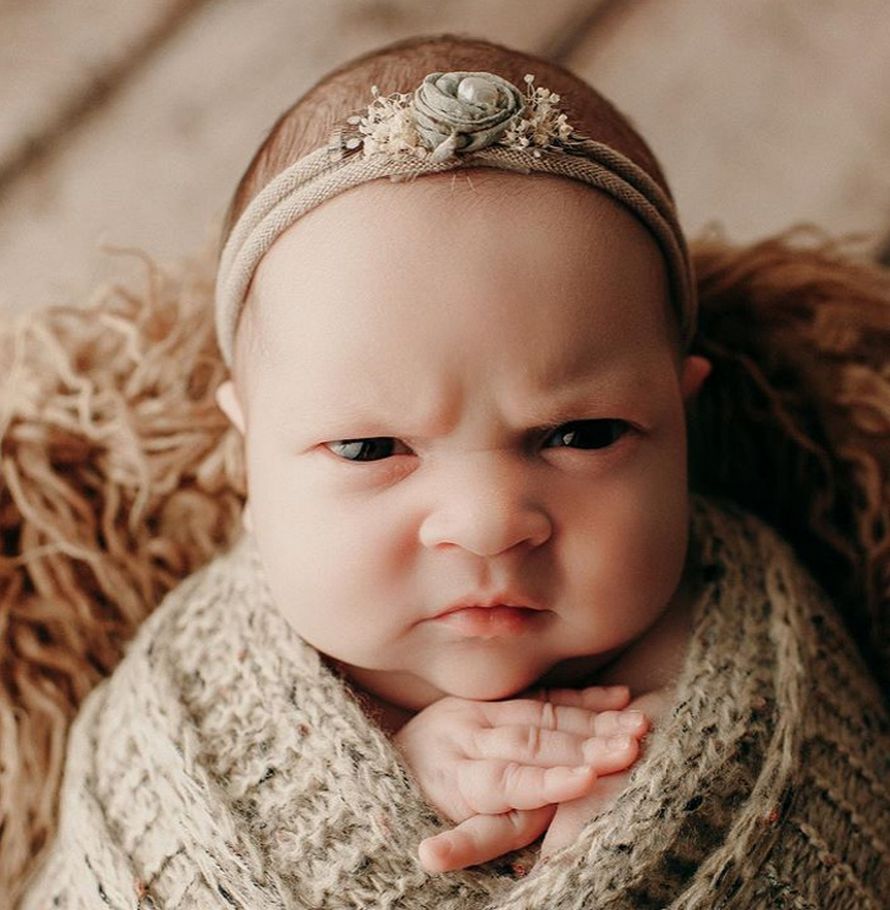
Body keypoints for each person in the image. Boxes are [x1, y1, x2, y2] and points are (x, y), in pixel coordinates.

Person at [15, 33, 889, 909]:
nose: (486, 520)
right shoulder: (199, 686)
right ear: (250, 460)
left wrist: (688, 786)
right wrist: (399, 776)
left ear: (681, 420)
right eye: (369, 449)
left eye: (581, 434)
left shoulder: (763, 640)